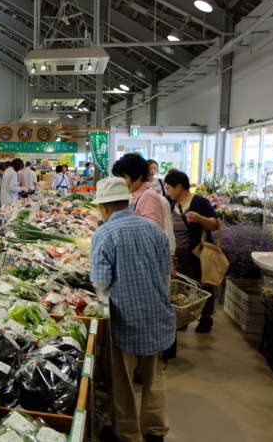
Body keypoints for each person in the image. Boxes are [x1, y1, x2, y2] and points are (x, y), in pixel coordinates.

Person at [90, 177, 174, 442]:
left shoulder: (105, 233)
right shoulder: (154, 231)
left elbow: (100, 281)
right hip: (158, 314)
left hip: (124, 318)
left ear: (103, 207)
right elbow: (164, 273)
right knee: (154, 376)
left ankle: (126, 433)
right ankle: (155, 429)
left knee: (123, 379)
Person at [164, 169, 220, 333]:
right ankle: (185, 316)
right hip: (180, 254)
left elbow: (215, 224)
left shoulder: (199, 202)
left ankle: (206, 318)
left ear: (179, 186)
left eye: (169, 187)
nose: (167, 191)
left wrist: (200, 219)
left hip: (198, 253)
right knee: (184, 286)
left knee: (203, 285)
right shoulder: (173, 204)